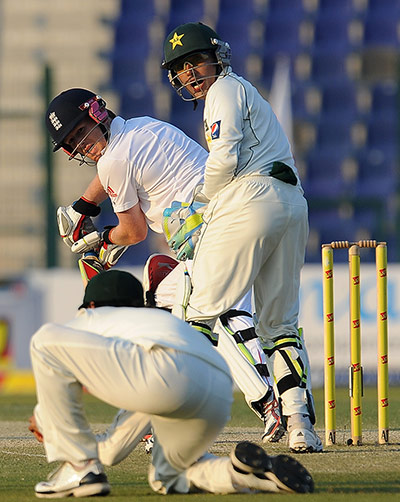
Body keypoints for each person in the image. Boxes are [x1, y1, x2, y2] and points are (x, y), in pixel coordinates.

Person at [45, 87, 285, 443]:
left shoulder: (113, 161)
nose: (82, 145)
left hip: (215, 233)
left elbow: (134, 231)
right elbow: (113, 169)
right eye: (73, 142)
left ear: (96, 114)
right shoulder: (144, 126)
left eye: (82, 132)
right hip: (240, 216)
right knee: (161, 297)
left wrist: (99, 241)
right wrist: (83, 205)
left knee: (220, 315)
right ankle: (158, 416)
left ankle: (270, 405)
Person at [160, 22, 322, 453]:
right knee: (280, 324)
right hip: (292, 203)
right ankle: (299, 423)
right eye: (181, 69)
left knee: (198, 313)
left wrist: (198, 205)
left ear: (217, 58)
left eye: (196, 62)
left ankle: (180, 422)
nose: (190, 74)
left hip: (249, 198)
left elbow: (224, 157)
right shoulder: (239, 90)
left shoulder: (223, 91)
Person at [29, 269, 314, 497]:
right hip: (215, 386)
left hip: (165, 374)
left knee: (43, 341)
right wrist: (91, 449)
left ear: (91, 305)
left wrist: (47, 418)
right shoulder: (151, 324)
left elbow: (58, 359)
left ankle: (79, 468)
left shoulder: (93, 317)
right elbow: (111, 451)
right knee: (167, 477)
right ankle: (244, 474)